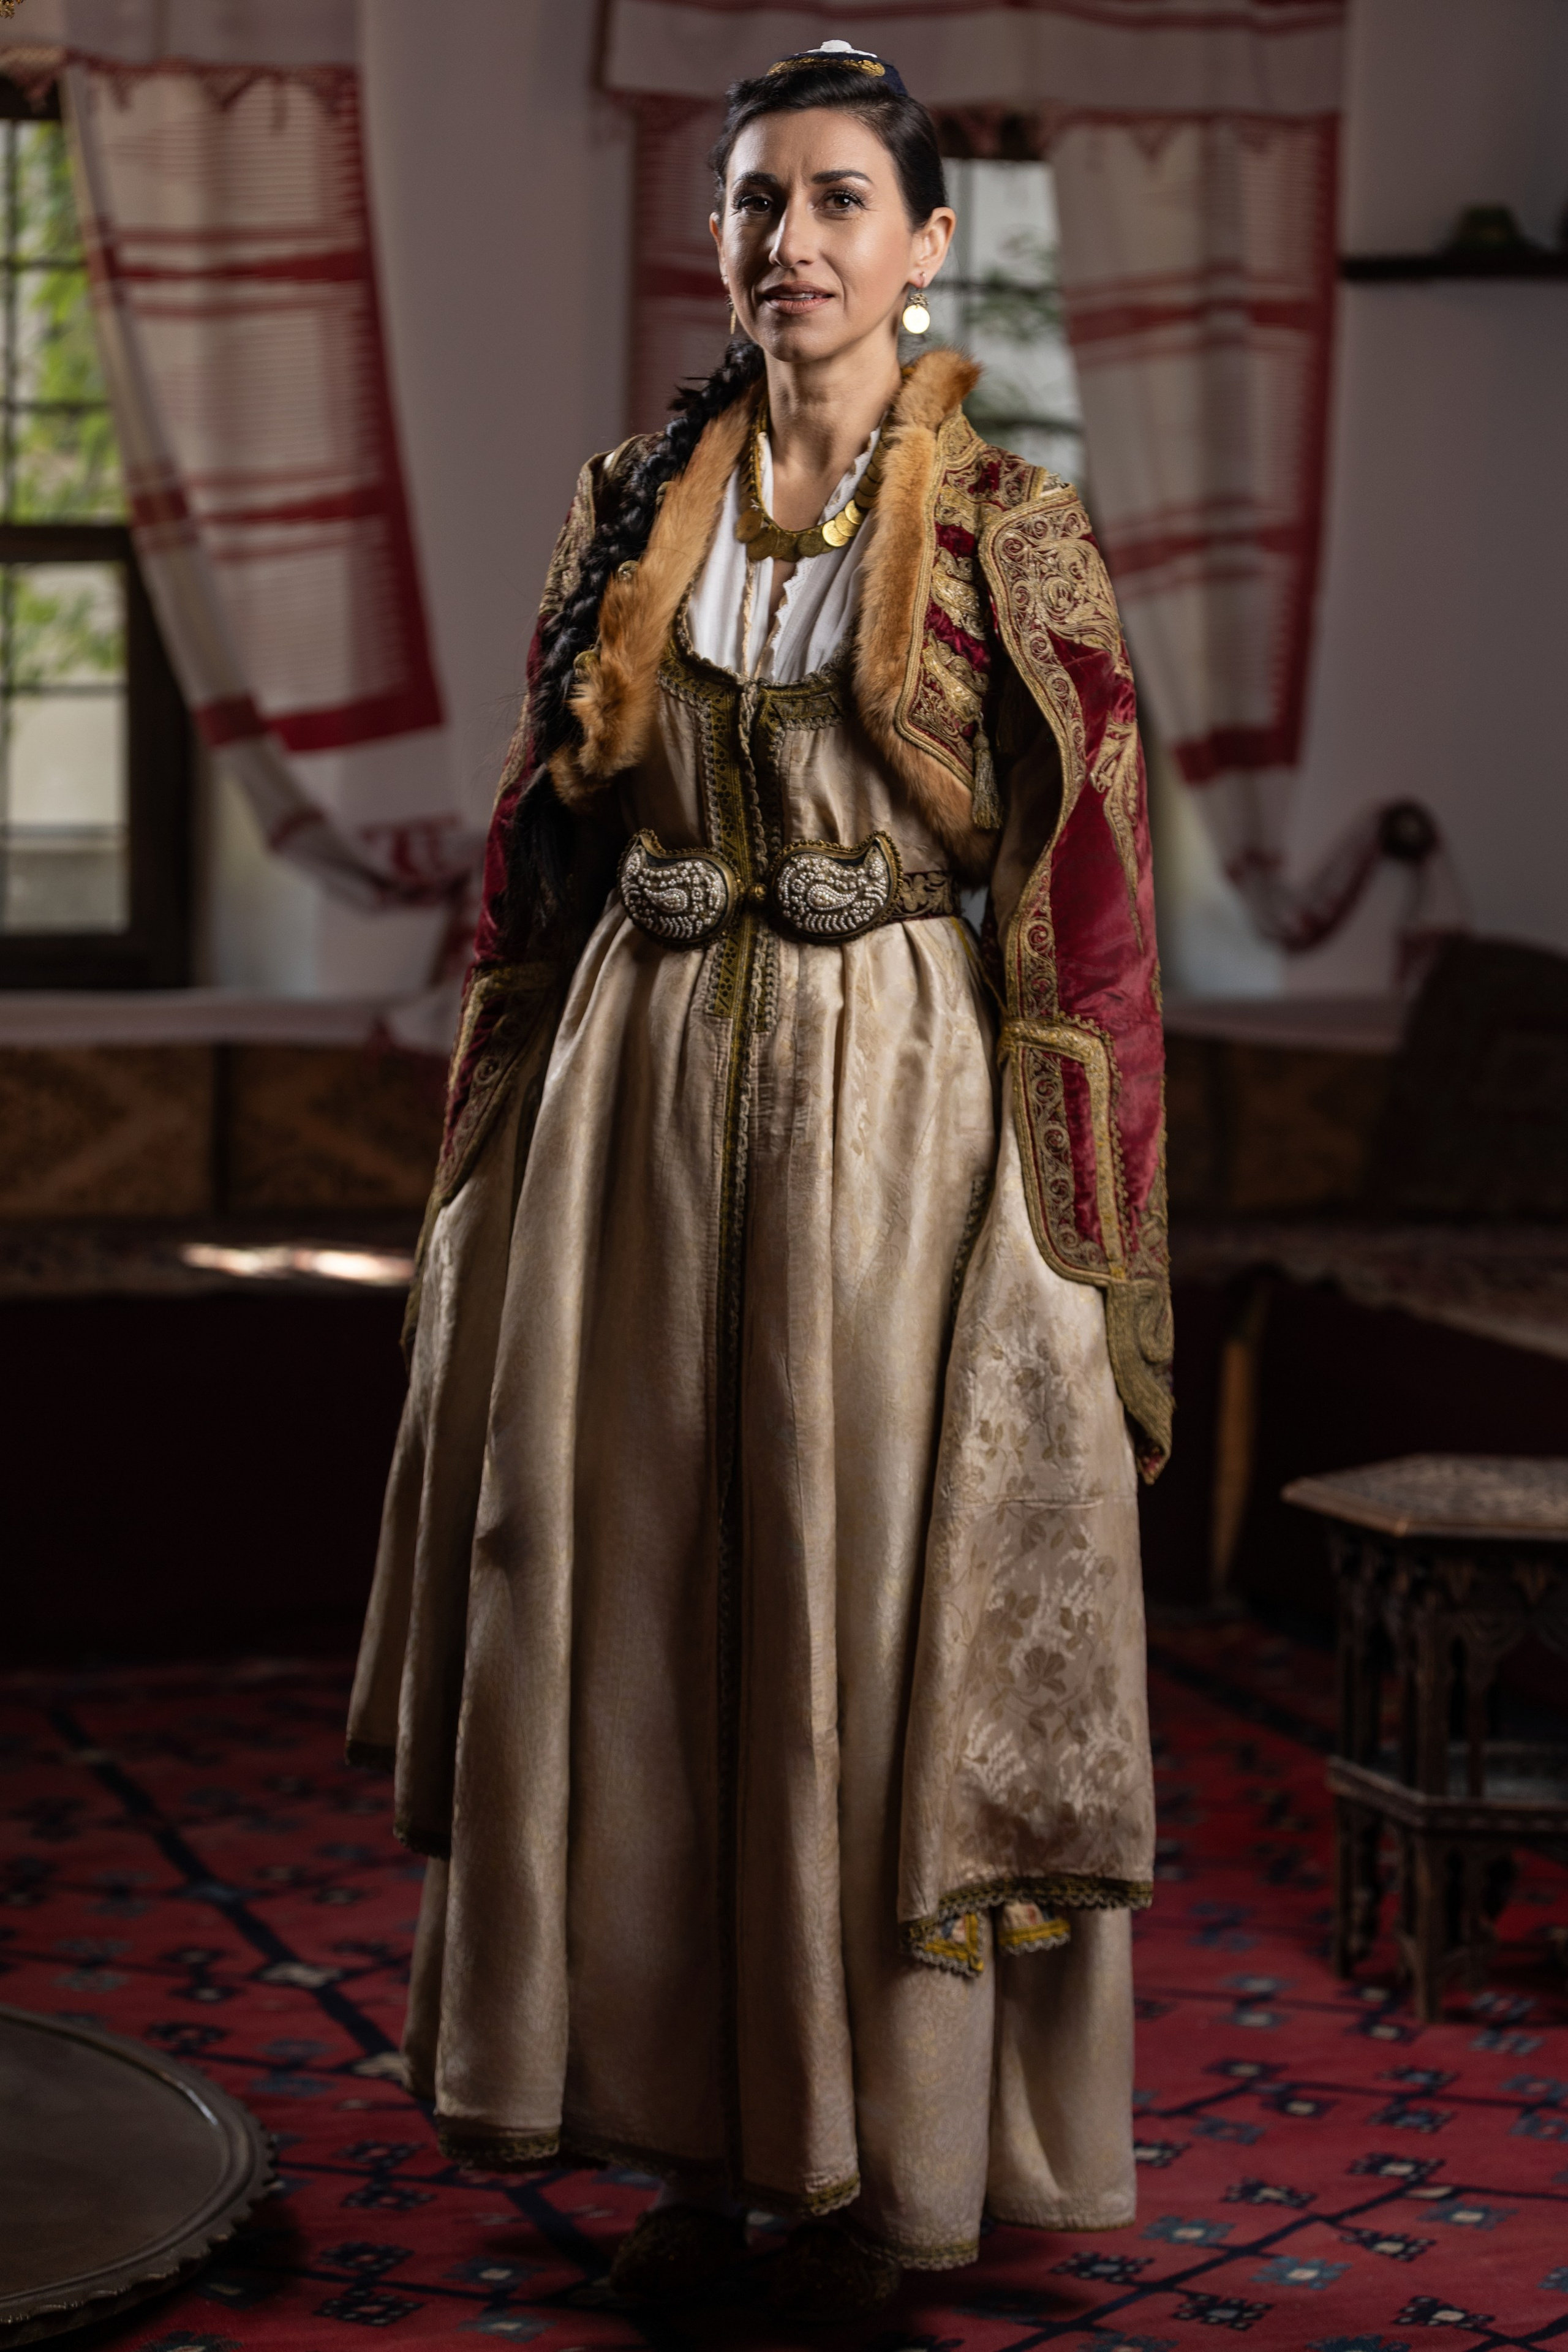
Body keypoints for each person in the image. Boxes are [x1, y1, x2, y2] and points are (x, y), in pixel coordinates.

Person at [348, 38, 1170, 2326]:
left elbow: (1088, 910)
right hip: (637, 1100)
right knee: (639, 1607)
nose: (785, 242)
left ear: (923, 245)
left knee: (850, 1610)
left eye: (833, 203)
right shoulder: (636, 501)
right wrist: (493, 1157)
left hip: (896, 1111)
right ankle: (689, 2139)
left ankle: (857, 2159)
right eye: (750, 204)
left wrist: (1075, 1244)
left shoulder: (1015, 523)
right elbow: (543, 846)